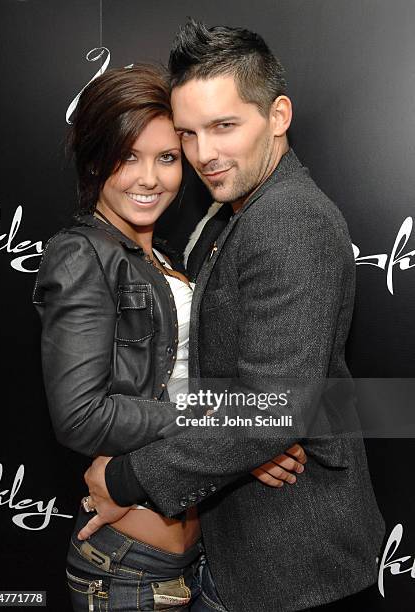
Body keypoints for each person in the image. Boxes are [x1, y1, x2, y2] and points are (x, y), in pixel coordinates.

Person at [82, 21, 386, 611]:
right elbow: (271, 394)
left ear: (278, 115)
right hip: (246, 544)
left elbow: (273, 404)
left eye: (225, 127)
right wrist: (266, 428)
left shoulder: (287, 219)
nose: (204, 155)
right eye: (189, 134)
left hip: (288, 561)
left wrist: (126, 478)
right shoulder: (233, 213)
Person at [32, 63, 307, 611]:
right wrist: (220, 424)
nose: (149, 179)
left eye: (166, 158)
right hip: (126, 568)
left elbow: (172, 386)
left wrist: (243, 441)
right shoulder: (84, 254)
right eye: (128, 157)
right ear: (95, 160)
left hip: (191, 559)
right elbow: (81, 417)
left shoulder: (161, 258)